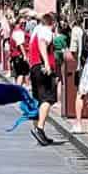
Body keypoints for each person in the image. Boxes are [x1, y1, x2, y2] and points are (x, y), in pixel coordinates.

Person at [27, 13, 57, 146]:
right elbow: (42, 43)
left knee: (39, 98)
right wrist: (46, 63)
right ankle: (39, 128)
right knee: (48, 99)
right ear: (53, 23)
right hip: (42, 67)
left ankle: (39, 129)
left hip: (34, 66)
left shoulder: (36, 30)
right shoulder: (46, 31)